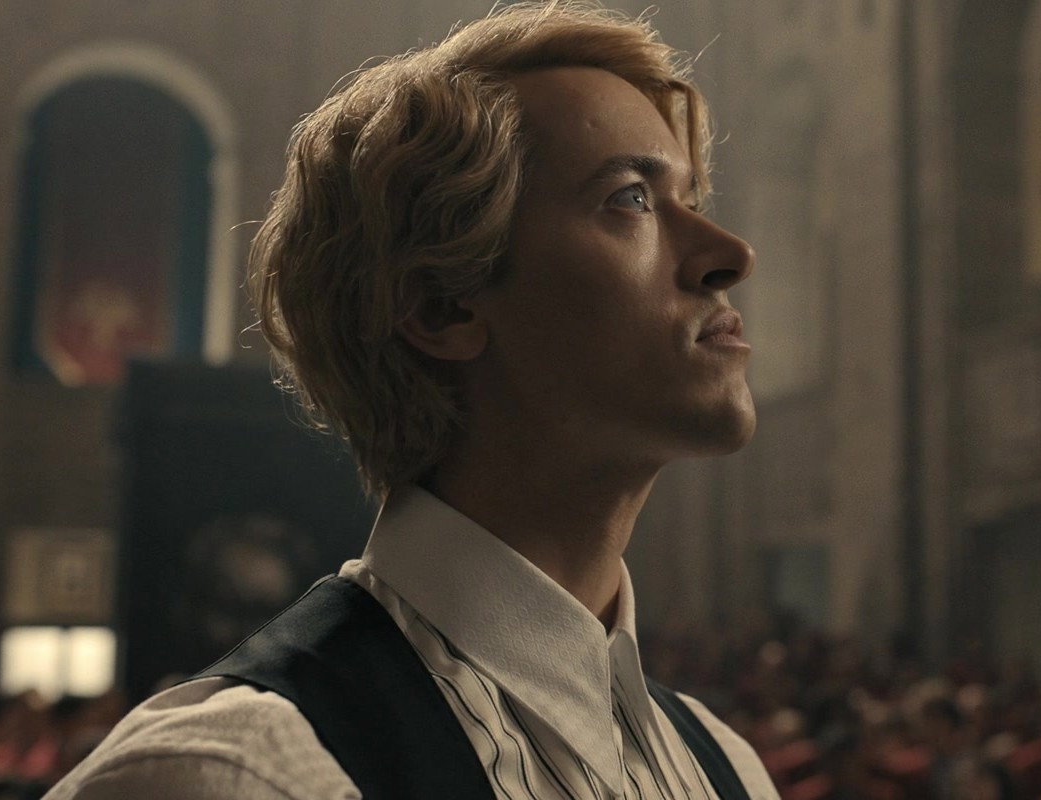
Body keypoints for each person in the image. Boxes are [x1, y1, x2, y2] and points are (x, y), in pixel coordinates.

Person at [45, 1, 776, 797]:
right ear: (440, 307)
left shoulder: (724, 767)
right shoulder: (229, 776)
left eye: (692, 202)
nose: (729, 254)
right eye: (630, 198)